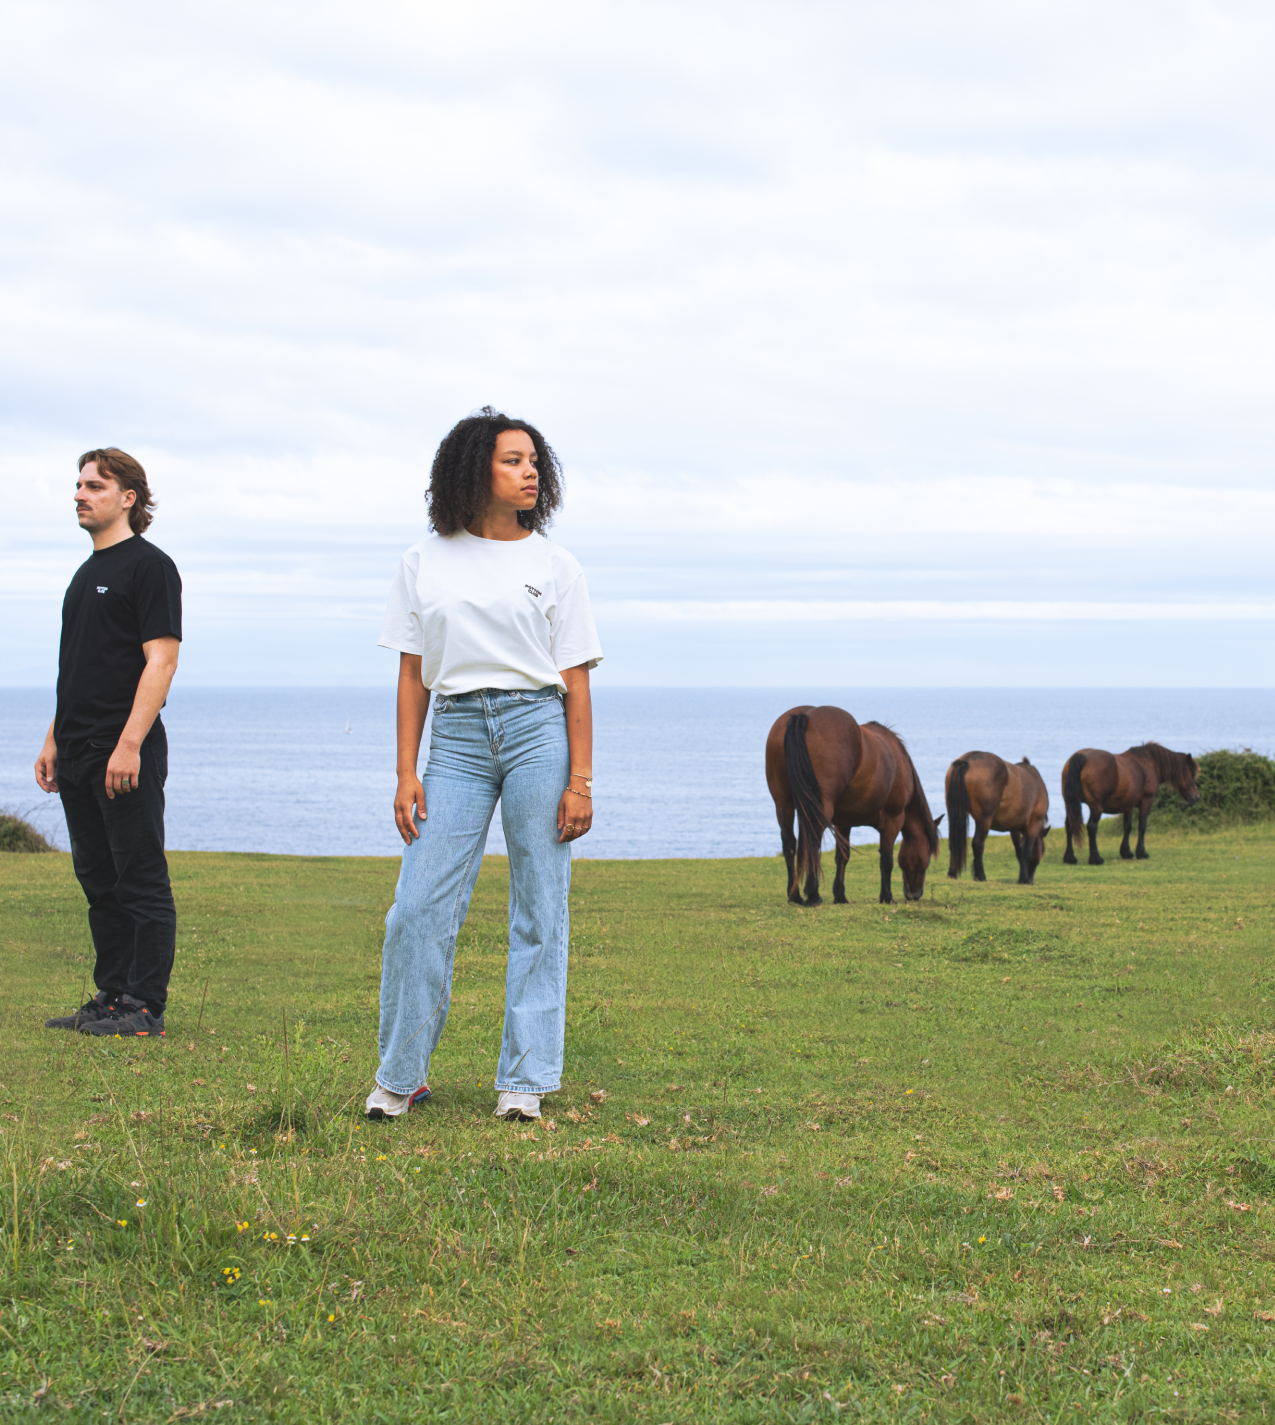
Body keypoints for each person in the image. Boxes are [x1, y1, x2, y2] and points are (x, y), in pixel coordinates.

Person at [367, 407, 602, 1122]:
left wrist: (580, 780)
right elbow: (412, 676)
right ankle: (401, 1074)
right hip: (458, 736)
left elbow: (578, 680)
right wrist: (407, 771)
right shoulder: (422, 559)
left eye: (533, 460)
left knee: (539, 904)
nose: (529, 471)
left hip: (539, 727)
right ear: (474, 469)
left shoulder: (556, 566)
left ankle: (524, 1080)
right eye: (511, 459)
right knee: (416, 909)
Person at [35, 449, 182, 1038]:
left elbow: (162, 661)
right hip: (75, 749)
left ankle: (144, 1006)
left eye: (94, 485)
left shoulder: (150, 567)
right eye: (77, 484)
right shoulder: (82, 574)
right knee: (97, 878)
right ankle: (113, 995)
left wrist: (129, 746)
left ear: (128, 498)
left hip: (122, 750)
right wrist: (53, 740)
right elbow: (76, 668)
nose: (79, 493)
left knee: (139, 876)